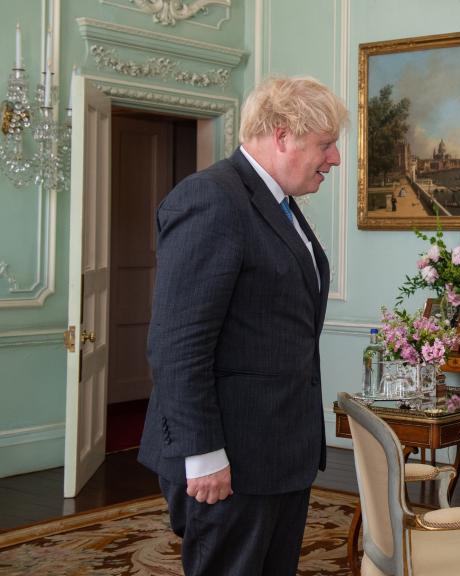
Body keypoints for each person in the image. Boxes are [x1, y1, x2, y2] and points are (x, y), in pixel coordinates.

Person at [138, 76, 347, 575]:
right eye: (325, 145)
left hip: (276, 452)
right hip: (229, 456)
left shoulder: (277, 202)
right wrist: (204, 453)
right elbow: (177, 344)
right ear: (282, 135)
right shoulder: (211, 199)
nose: (334, 159)